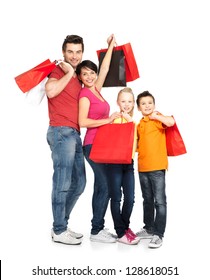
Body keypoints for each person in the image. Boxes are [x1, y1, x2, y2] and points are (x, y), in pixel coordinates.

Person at [76, 34, 121, 243]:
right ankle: (96, 231)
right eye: (85, 74)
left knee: (103, 185)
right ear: (80, 78)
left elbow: (104, 68)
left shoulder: (97, 90)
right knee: (104, 183)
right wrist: (108, 120)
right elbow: (83, 122)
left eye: (91, 73)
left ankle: (97, 228)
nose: (90, 76)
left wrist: (110, 46)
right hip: (92, 144)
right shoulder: (85, 95)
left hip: (104, 144)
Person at [45, 35, 86, 245]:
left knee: (79, 183)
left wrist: (111, 47)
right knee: (62, 183)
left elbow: (102, 75)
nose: (74, 56)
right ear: (63, 52)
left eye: (78, 52)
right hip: (61, 131)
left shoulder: (79, 76)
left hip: (74, 133)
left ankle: (62, 224)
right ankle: (58, 230)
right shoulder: (59, 70)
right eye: (70, 51)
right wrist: (68, 71)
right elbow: (51, 91)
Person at [135, 90, 175, 248]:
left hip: (157, 167)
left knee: (160, 202)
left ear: (154, 105)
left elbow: (171, 122)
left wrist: (156, 116)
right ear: (138, 107)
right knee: (147, 200)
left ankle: (159, 234)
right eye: (143, 104)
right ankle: (149, 228)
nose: (147, 106)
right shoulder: (140, 124)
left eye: (150, 103)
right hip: (142, 167)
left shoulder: (158, 119)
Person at [106, 87, 140, 245]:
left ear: (133, 104)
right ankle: (120, 232)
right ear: (118, 102)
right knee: (116, 198)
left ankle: (124, 228)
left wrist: (130, 120)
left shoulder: (135, 121)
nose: (126, 104)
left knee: (131, 198)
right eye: (123, 101)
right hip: (114, 162)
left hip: (128, 162)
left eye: (130, 101)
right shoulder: (114, 118)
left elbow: (138, 139)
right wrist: (121, 119)